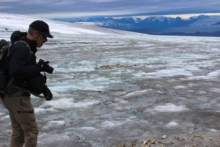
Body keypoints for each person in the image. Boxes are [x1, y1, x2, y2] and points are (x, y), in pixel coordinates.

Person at [2, 20, 54, 147]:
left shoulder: (23, 46)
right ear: (35, 34)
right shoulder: (22, 47)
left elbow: (24, 73)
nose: (45, 40)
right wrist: (38, 68)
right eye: (44, 36)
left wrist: (43, 88)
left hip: (11, 95)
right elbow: (17, 71)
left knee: (19, 132)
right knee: (31, 130)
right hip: (16, 96)